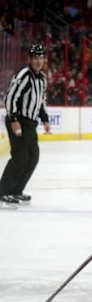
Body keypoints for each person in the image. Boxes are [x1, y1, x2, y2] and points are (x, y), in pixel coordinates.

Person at [0, 44, 51, 208]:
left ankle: (16, 190)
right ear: (30, 59)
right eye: (35, 58)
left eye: (40, 58)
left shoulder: (42, 79)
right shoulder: (24, 75)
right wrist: (14, 119)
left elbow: (41, 102)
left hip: (30, 123)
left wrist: (45, 119)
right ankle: (2, 193)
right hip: (18, 120)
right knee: (20, 157)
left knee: (33, 157)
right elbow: (10, 97)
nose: (38, 61)